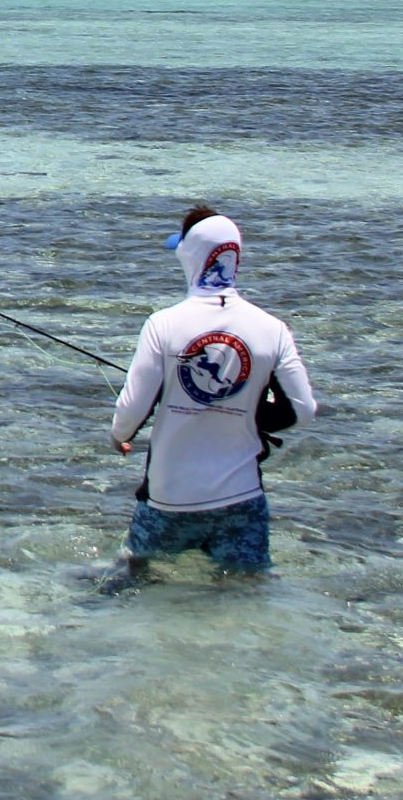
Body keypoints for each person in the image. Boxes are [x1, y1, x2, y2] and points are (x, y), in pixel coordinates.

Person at [105, 204, 317, 582]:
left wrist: (120, 436)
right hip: (242, 500)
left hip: (168, 500)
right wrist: (249, 412)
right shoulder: (272, 328)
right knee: (245, 596)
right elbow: (302, 409)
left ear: (191, 255)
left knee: (131, 587)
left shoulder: (163, 325)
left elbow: (132, 408)